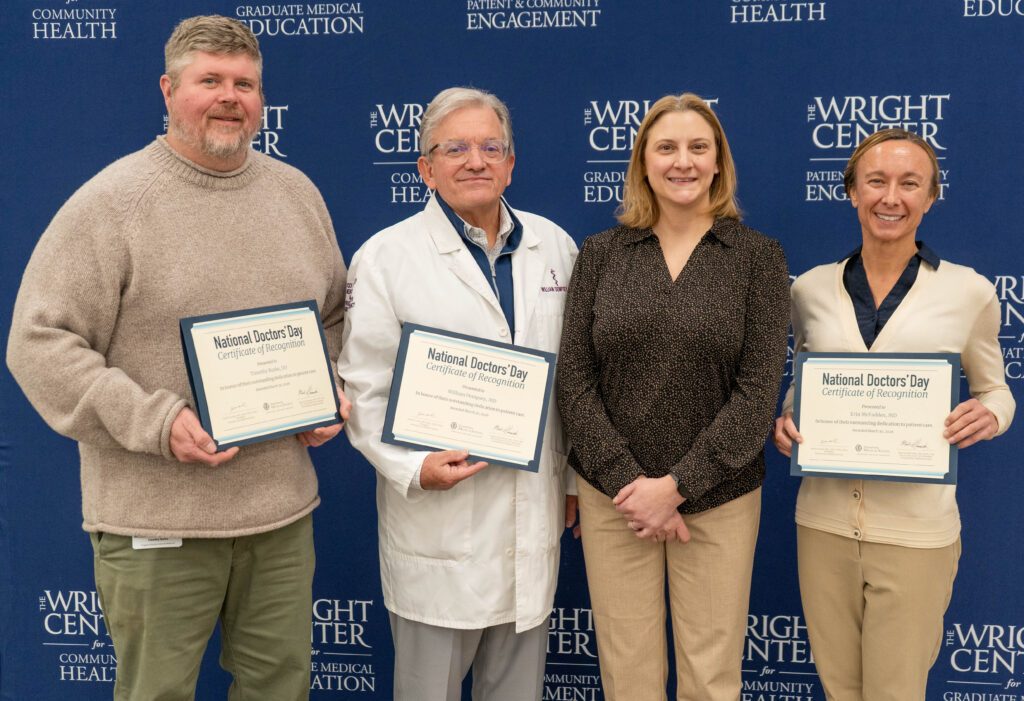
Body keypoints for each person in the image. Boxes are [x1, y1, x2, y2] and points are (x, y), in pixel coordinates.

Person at [6, 15, 349, 701]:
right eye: (210, 81)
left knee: (281, 687)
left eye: (245, 83)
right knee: (155, 692)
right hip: (155, 523)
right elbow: (38, 341)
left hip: (280, 516)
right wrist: (155, 421)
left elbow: (334, 315)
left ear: (261, 98)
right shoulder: (112, 204)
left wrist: (327, 387)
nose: (230, 96)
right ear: (168, 90)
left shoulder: (297, 195)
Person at [338, 86, 578, 701]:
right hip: (439, 529)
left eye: (490, 146)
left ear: (511, 163)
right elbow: (363, 389)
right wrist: (414, 468)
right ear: (425, 167)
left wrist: (572, 482)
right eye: (456, 148)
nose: (476, 160)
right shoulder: (386, 258)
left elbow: (576, 381)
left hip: (532, 517)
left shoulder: (555, 246)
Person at [556, 93, 790, 700]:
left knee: (711, 678)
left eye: (697, 147)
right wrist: (630, 486)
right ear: (642, 163)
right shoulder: (601, 254)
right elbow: (575, 380)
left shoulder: (757, 257)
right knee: (627, 674)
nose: (681, 161)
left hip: (719, 496)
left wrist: (678, 486)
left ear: (718, 164)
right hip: (617, 501)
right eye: (666, 147)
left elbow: (759, 388)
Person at [772, 128, 1015, 701]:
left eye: (911, 184)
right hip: (823, 526)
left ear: (931, 197)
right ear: (851, 191)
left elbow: (997, 389)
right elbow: (803, 385)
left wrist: (991, 416)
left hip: (917, 535)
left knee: (894, 692)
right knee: (839, 688)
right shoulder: (807, 290)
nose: (891, 197)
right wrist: (787, 421)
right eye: (876, 181)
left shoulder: (969, 292)